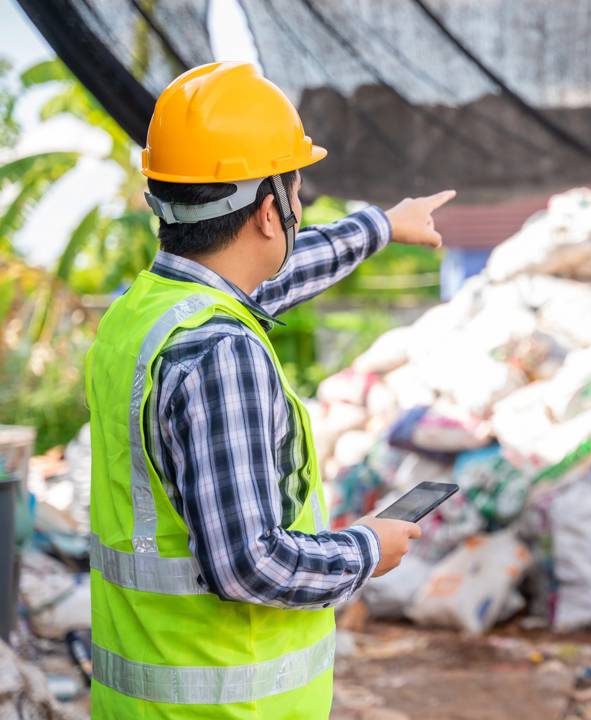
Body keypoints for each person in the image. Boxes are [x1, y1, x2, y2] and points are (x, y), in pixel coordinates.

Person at [85, 62, 453, 718]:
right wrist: (368, 548)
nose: (299, 207)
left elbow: (269, 281)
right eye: (296, 191)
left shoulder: (141, 314)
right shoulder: (222, 354)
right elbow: (248, 565)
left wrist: (382, 226)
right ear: (267, 212)